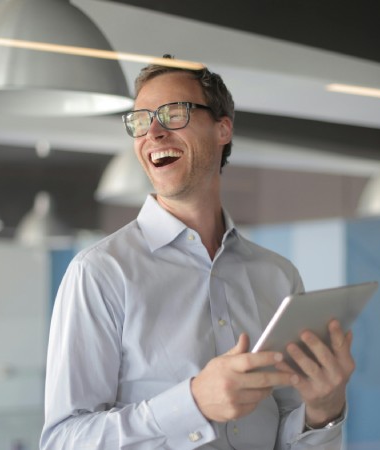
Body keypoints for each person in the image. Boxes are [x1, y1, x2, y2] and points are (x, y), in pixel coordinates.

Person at [40, 60, 355, 449]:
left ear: (223, 128)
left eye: (174, 113)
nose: (152, 132)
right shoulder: (100, 272)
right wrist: (192, 404)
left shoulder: (278, 276)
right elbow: (63, 440)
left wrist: (324, 410)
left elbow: (286, 434)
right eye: (140, 120)